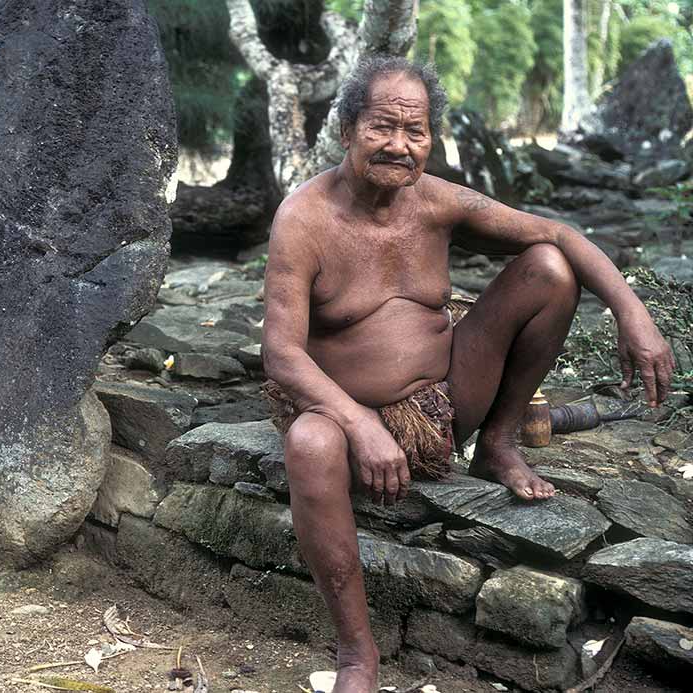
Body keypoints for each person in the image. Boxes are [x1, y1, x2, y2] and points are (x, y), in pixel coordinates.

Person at [260, 55, 675, 693]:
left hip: (445, 404)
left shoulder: (438, 203)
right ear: (346, 130)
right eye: (381, 128)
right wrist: (358, 424)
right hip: (342, 413)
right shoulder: (305, 219)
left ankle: (498, 444)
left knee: (548, 268)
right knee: (309, 442)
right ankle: (356, 655)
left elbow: (560, 235)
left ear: (431, 138)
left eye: (416, 131)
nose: (399, 145)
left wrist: (632, 314)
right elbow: (283, 355)